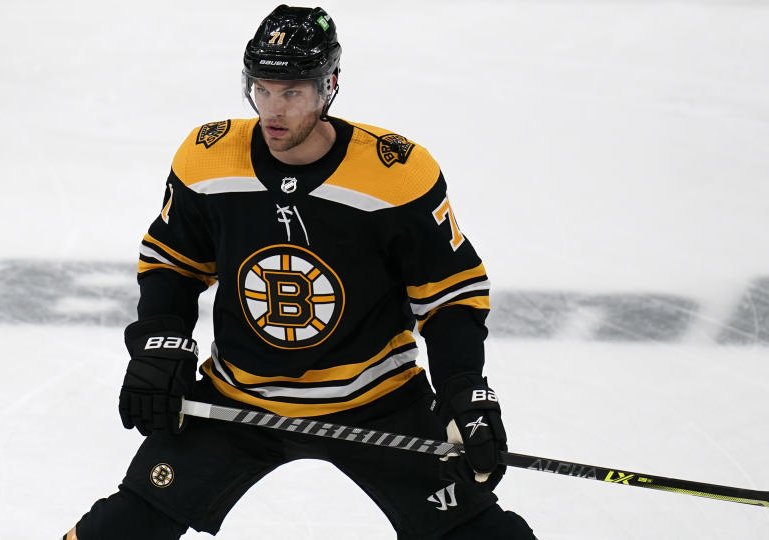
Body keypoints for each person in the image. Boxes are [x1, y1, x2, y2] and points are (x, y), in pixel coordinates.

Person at [64, 5, 535, 539]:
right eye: (261, 89)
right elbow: (173, 263)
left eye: (291, 92)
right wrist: (159, 343)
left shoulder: (395, 174)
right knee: (119, 528)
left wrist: (463, 388)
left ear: (328, 87)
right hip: (239, 401)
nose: (273, 110)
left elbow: (450, 296)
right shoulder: (209, 159)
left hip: (376, 402)